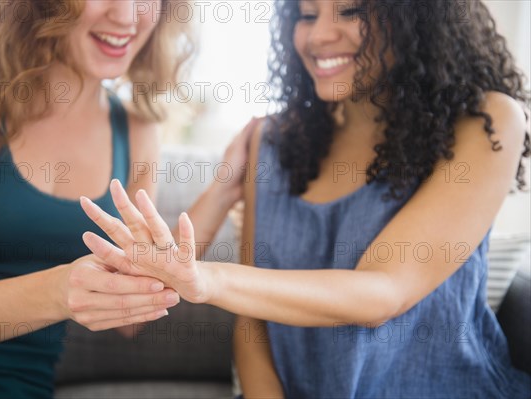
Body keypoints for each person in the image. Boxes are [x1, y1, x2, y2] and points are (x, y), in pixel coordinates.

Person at [78, 0, 531, 397]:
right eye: (307, 14)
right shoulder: (274, 139)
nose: (317, 36)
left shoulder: (485, 123)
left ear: (416, 16)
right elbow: (253, 325)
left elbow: (382, 292)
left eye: (351, 11)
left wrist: (208, 279)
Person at [0, 0, 250, 397]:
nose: (127, 17)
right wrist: (57, 292)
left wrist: (223, 190)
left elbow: (128, 318)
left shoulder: (136, 131)